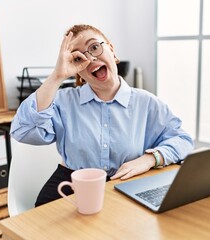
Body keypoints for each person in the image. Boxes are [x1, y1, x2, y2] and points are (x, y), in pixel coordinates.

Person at [10, 24, 194, 207]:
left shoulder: (146, 103)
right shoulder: (62, 101)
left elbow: (182, 140)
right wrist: (57, 76)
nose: (89, 58)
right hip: (70, 185)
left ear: (112, 51)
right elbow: (23, 130)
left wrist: (148, 159)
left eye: (94, 47)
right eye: (78, 57)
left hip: (125, 183)